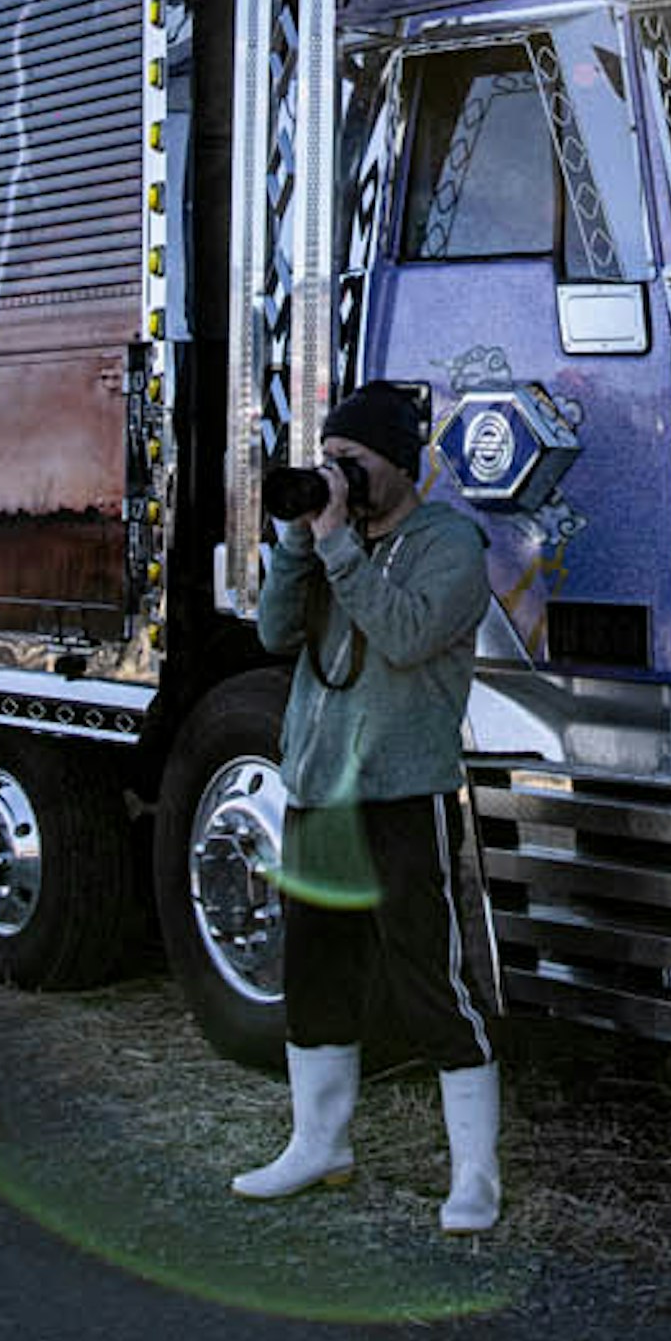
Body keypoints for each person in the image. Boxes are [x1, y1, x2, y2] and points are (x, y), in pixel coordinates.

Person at [228, 379, 503, 1234]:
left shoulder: (450, 542)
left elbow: (410, 634)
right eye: (328, 458)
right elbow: (275, 635)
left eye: (353, 460)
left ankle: (475, 1177)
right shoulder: (326, 543)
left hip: (402, 791)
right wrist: (295, 543)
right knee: (314, 974)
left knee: (430, 980)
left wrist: (339, 544)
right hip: (318, 790)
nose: (336, 473)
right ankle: (320, 1146)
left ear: (400, 461)